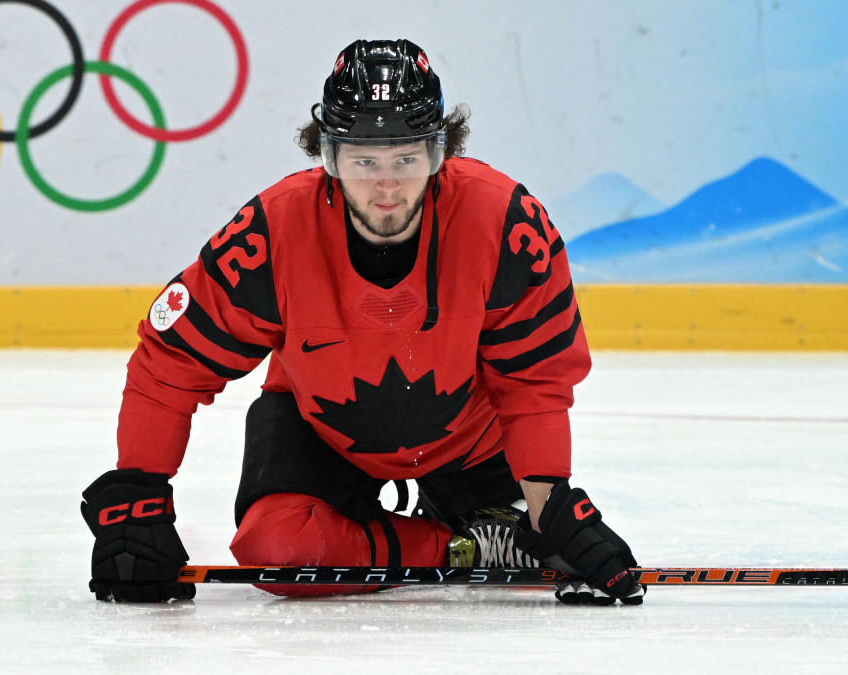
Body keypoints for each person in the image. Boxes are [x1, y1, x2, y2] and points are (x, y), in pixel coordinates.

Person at [80, 39, 644, 606]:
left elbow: (534, 378)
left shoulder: (505, 224)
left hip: (472, 442)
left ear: (439, 151)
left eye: (406, 159)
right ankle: (469, 541)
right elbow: (171, 361)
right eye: (363, 161)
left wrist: (549, 504)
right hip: (321, 430)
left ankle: (502, 520)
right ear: (327, 157)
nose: (387, 187)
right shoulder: (271, 233)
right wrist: (140, 490)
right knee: (275, 553)